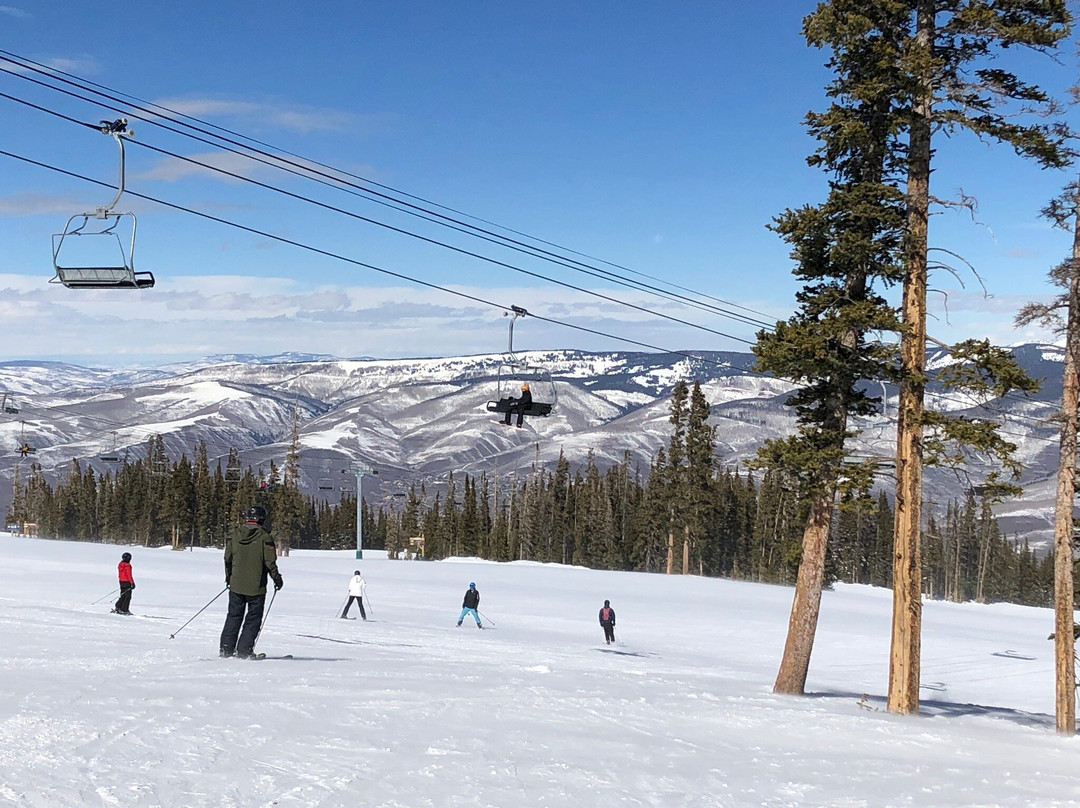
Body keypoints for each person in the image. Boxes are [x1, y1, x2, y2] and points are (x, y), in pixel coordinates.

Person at [219, 505, 283, 659]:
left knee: (233, 616)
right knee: (253, 619)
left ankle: (226, 649)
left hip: (235, 585)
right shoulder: (264, 537)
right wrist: (277, 578)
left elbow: (227, 558)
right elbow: (270, 562)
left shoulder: (236, 535)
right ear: (262, 519)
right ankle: (244, 651)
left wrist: (229, 577)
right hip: (256, 587)